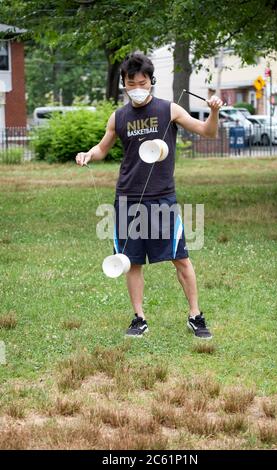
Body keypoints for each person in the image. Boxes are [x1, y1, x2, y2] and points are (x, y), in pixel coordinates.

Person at [75, 52, 223, 339]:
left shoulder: (169, 110)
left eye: (143, 82)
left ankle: (195, 315)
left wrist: (214, 111)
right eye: (132, 83)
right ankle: (139, 318)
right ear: (124, 84)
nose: (138, 88)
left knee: (180, 258)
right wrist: (88, 154)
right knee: (131, 260)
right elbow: (102, 148)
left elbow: (207, 131)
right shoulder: (118, 116)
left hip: (162, 197)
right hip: (128, 198)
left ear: (152, 82)